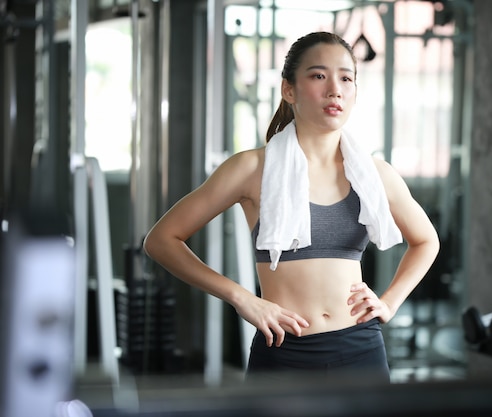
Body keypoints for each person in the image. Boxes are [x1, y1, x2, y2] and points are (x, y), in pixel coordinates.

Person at [143, 31, 440, 384]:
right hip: (285, 353)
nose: (335, 89)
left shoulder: (375, 174)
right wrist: (241, 297)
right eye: (318, 75)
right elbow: (162, 239)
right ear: (289, 89)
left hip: (360, 350)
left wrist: (389, 303)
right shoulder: (251, 168)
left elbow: (426, 242)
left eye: (346, 78)